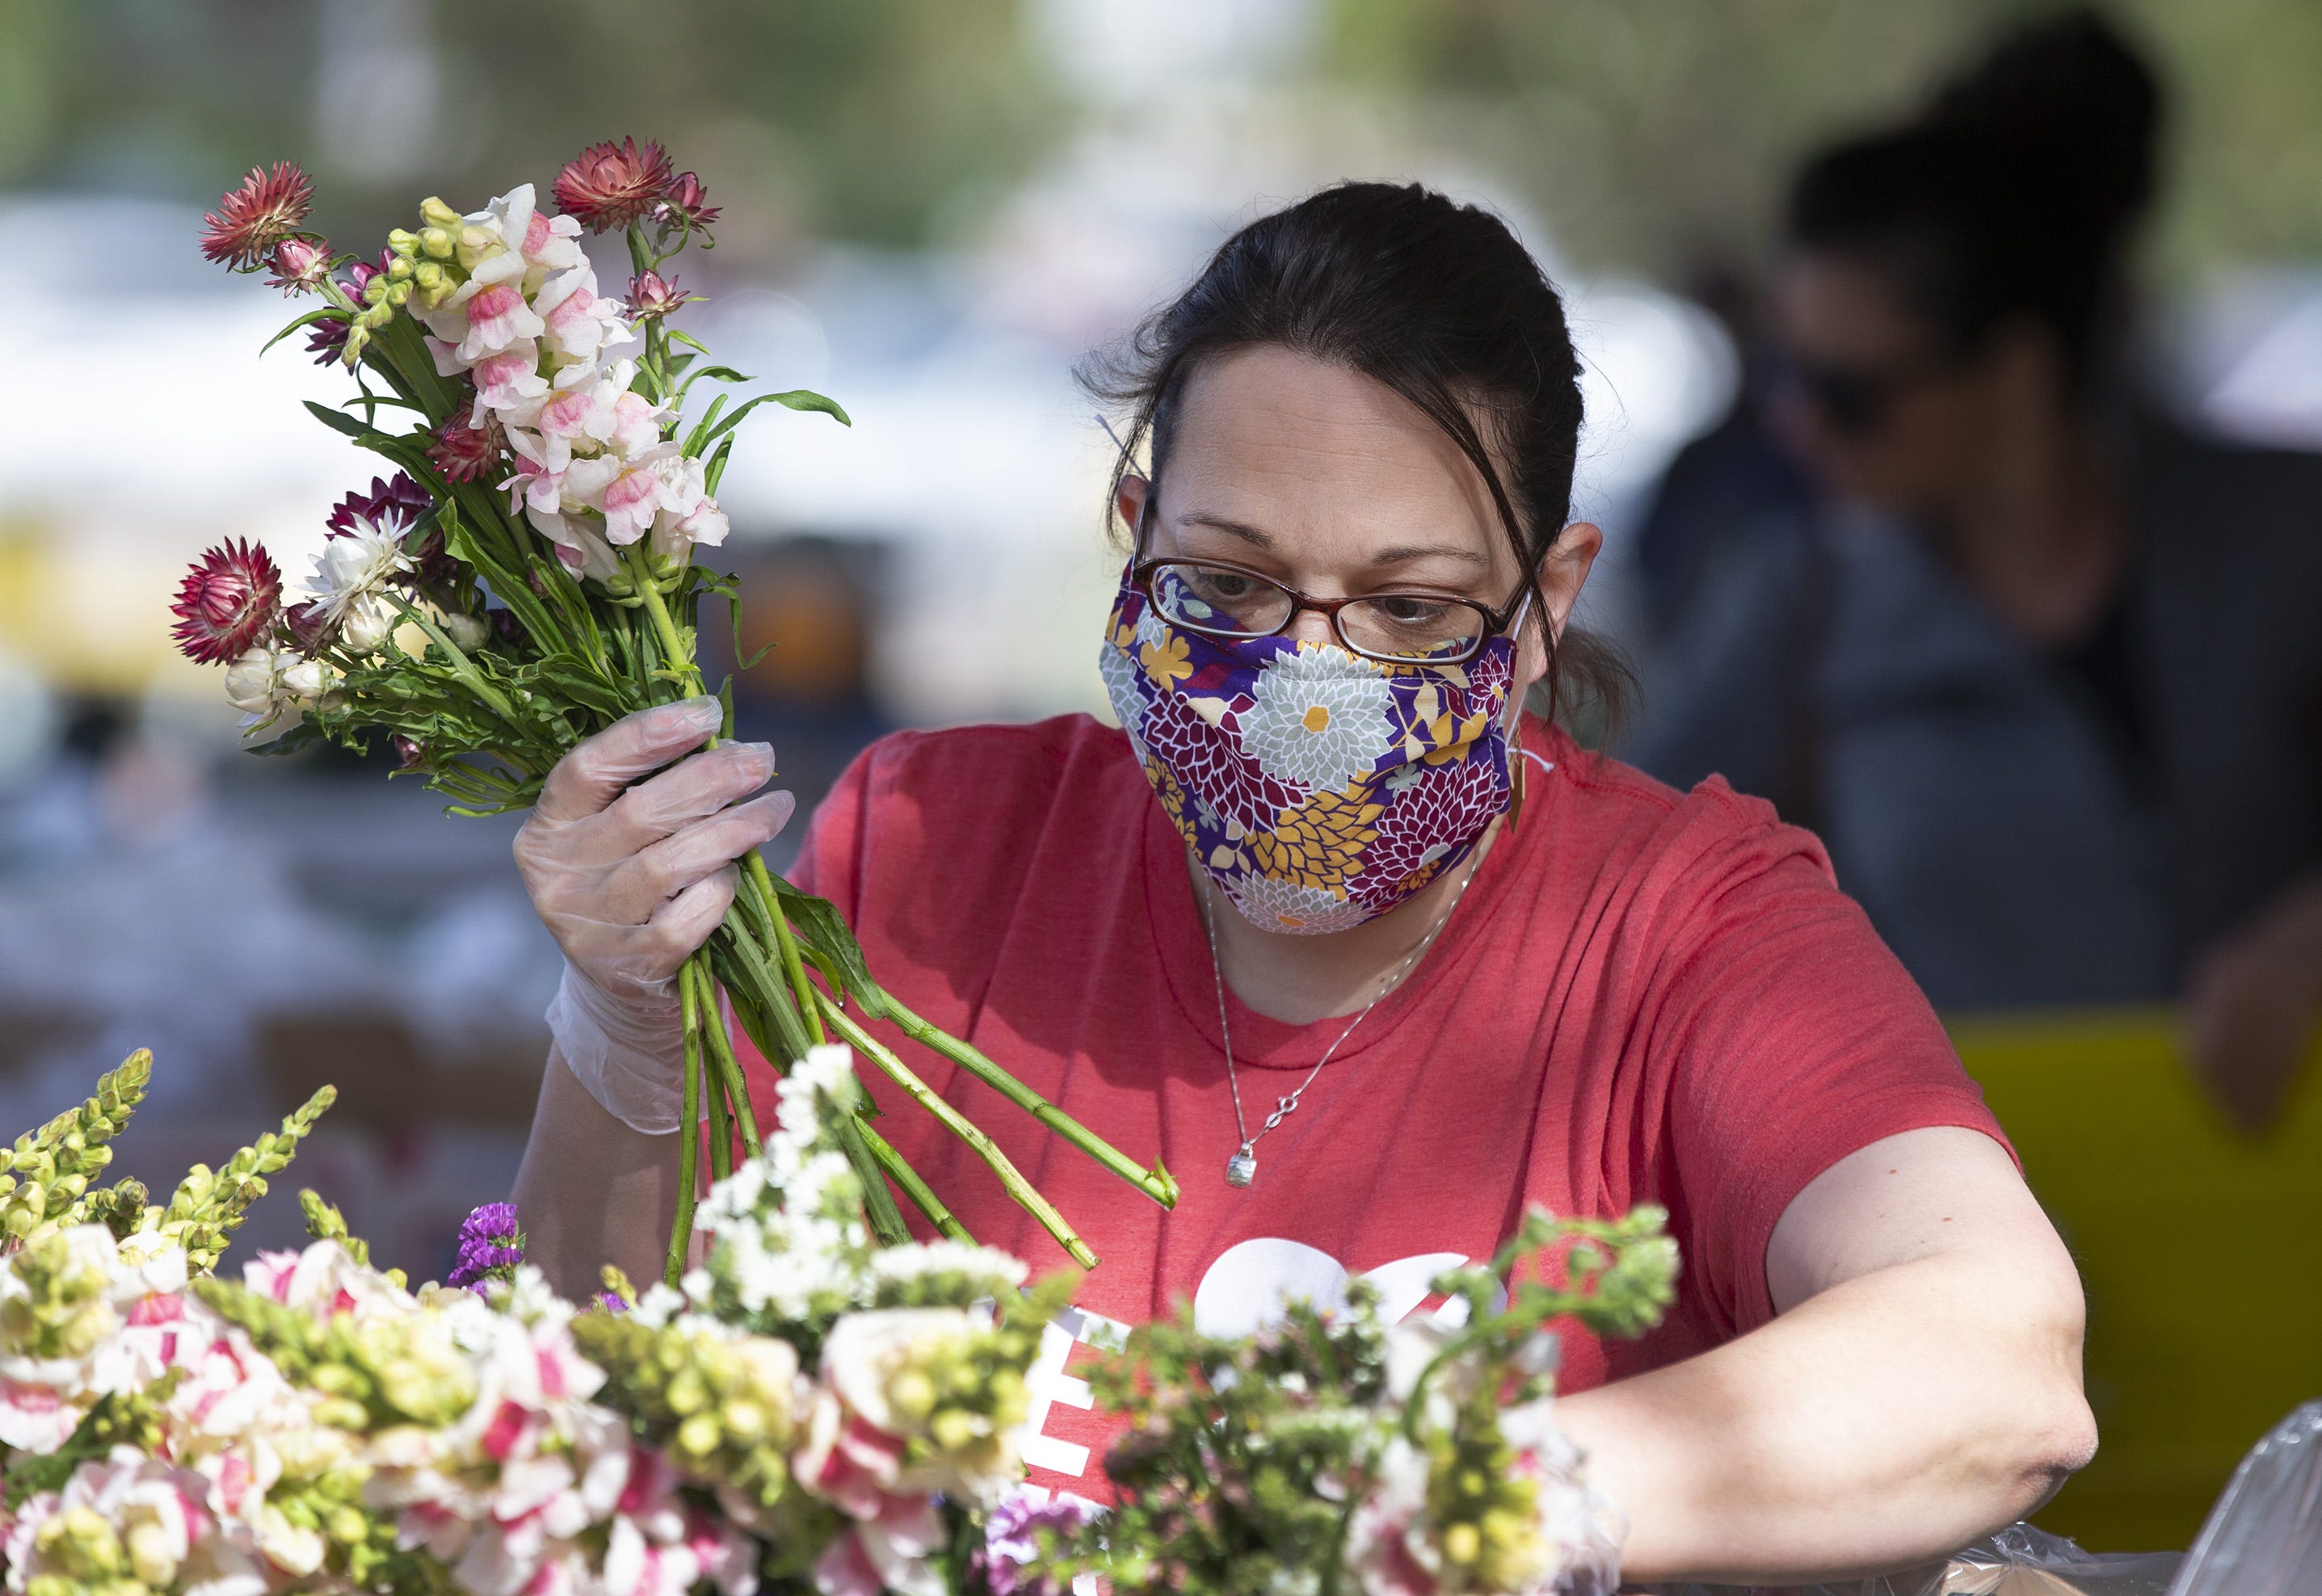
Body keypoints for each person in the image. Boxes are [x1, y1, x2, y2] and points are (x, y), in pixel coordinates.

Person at [510, 182, 2094, 1585]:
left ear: (1545, 606)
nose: (1301, 690)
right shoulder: (938, 851)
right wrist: (628, 1018)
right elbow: (610, 1372)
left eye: (1409, 609)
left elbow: (1993, 1364)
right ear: (1132, 535)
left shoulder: (1686, 929)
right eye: (1228, 583)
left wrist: (1426, 1505)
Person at [1631, 10, 2322, 1132]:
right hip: (1943, 1203)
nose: (1798, 428)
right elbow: (1617, 900)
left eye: (1850, 394)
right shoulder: (1793, 603)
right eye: (1785, 378)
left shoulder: (2282, 538)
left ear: (2015, 373)